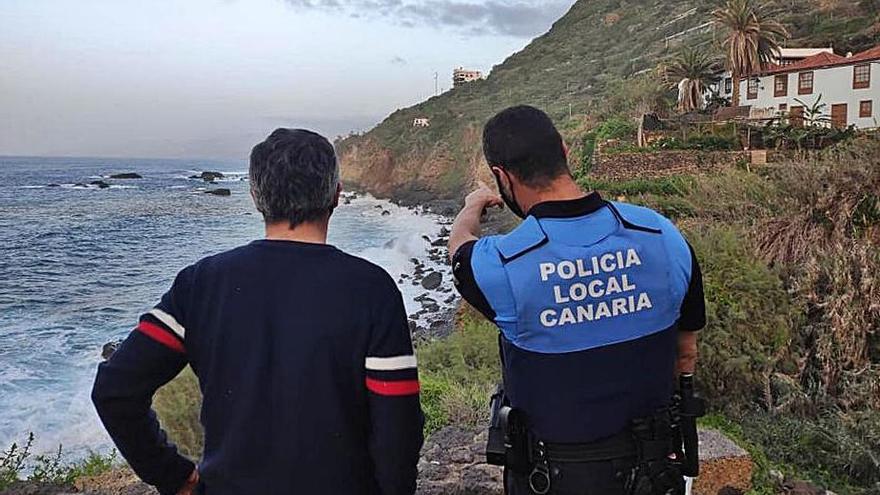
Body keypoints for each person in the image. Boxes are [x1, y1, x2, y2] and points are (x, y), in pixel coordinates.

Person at [92, 128, 424, 495]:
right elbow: (398, 428)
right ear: (336, 194)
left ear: (255, 197)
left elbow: (115, 389)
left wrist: (174, 475)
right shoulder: (372, 289)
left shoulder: (201, 284)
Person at [448, 106, 705, 495]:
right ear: (565, 151)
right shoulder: (662, 235)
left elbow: (459, 249)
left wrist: (473, 206)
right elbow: (685, 355)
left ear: (503, 177)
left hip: (550, 477)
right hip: (651, 470)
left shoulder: (501, 265)